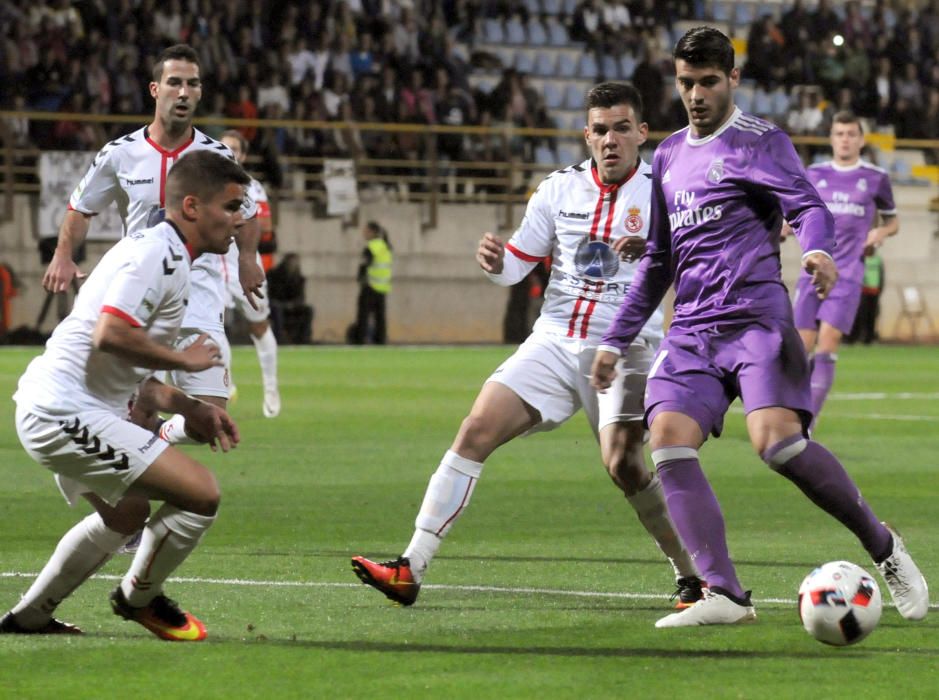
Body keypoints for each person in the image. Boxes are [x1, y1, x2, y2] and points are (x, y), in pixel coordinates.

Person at [590, 27, 928, 628]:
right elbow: (660, 260)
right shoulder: (666, 155)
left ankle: (884, 547)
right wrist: (616, 338)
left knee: (779, 445)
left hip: (755, 319)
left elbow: (807, 208)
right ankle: (723, 593)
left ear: (733, 80)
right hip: (692, 328)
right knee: (667, 439)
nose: (695, 95)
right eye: (686, 83)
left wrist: (819, 252)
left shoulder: (759, 142)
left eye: (708, 82)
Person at [351, 82, 703, 609]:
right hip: (555, 341)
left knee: (624, 465)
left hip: (624, 347)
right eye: (600, 130)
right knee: (474, 430)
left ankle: (691, 574)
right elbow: (518, 262)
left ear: (642, 133)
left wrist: (656, 250)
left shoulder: (666, 191)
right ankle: (411, 567)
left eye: (622, 129)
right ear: (587, 135)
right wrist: (497, 264)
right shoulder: (557, 189)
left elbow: (696, 260)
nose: (611, 140)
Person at [0, 150, 249, 640]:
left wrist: (187, 405)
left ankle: (29, 617)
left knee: (127, 515)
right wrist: (185, 362)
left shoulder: (169, 253)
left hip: (65, 407)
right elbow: (109, 334)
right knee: (201, 493)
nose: (241, 219)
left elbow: (131, 371)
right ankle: (139, 598)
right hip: (61, 411)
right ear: (193, 207)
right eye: (232, 206)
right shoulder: (157, 254)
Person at [40, 44, 264, 446]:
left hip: (199, 295)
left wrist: (248, 258)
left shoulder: (215, 157)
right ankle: (127, 482)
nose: (183, 92)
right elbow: (81, 208)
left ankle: (159, 434)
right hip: (143, 295)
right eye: (174, 82)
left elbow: (247, 211)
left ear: (199, 92)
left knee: (210, 420)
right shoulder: (120, 153)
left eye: (192, 84)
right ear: (154, 89)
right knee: (130, 415)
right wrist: (62, 255)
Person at [788, 112, 898, 428]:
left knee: (828, 341)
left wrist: (880, 232)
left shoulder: (876, 177)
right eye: (839, 133)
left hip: (848, 274)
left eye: (851, 133)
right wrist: (786, 224)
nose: (845, 139)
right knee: (800, 346)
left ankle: (808, 422)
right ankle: (793, 410)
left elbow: (893, 220)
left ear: (861, 140)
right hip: (812, 272)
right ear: (832, 138)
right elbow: (800, 212)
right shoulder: (815, 173)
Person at [219, 130, 281, 418]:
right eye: (224, 147)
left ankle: (271, 387)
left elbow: (265, 228)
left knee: (258, 326)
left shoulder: (252, 187)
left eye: (235, 149)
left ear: (242, 155)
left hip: (244, 264)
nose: (229, 152)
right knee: (209, 324)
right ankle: (225, 385)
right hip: (211, 266)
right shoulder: (206, 182)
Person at [350, 221, 392, 345]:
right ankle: (381, 341)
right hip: (383, 286)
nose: (364, 233)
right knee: (380, 317)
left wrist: (360, 278)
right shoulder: (385, 246)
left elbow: (365, 264)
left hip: (370, 285)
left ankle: (360, 340)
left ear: (372, 232)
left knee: (363, 315)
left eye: (366, 231)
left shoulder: (372, 246)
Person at [267, 253, 314, 344]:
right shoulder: (273, 275)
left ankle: (304, 340)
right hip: (276, 304)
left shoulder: (299, 279)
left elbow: (300, 297)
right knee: (277, 309)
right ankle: (278, 339)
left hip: (292, 306)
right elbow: (270, 294)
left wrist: (293, 304)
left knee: (308, 310)